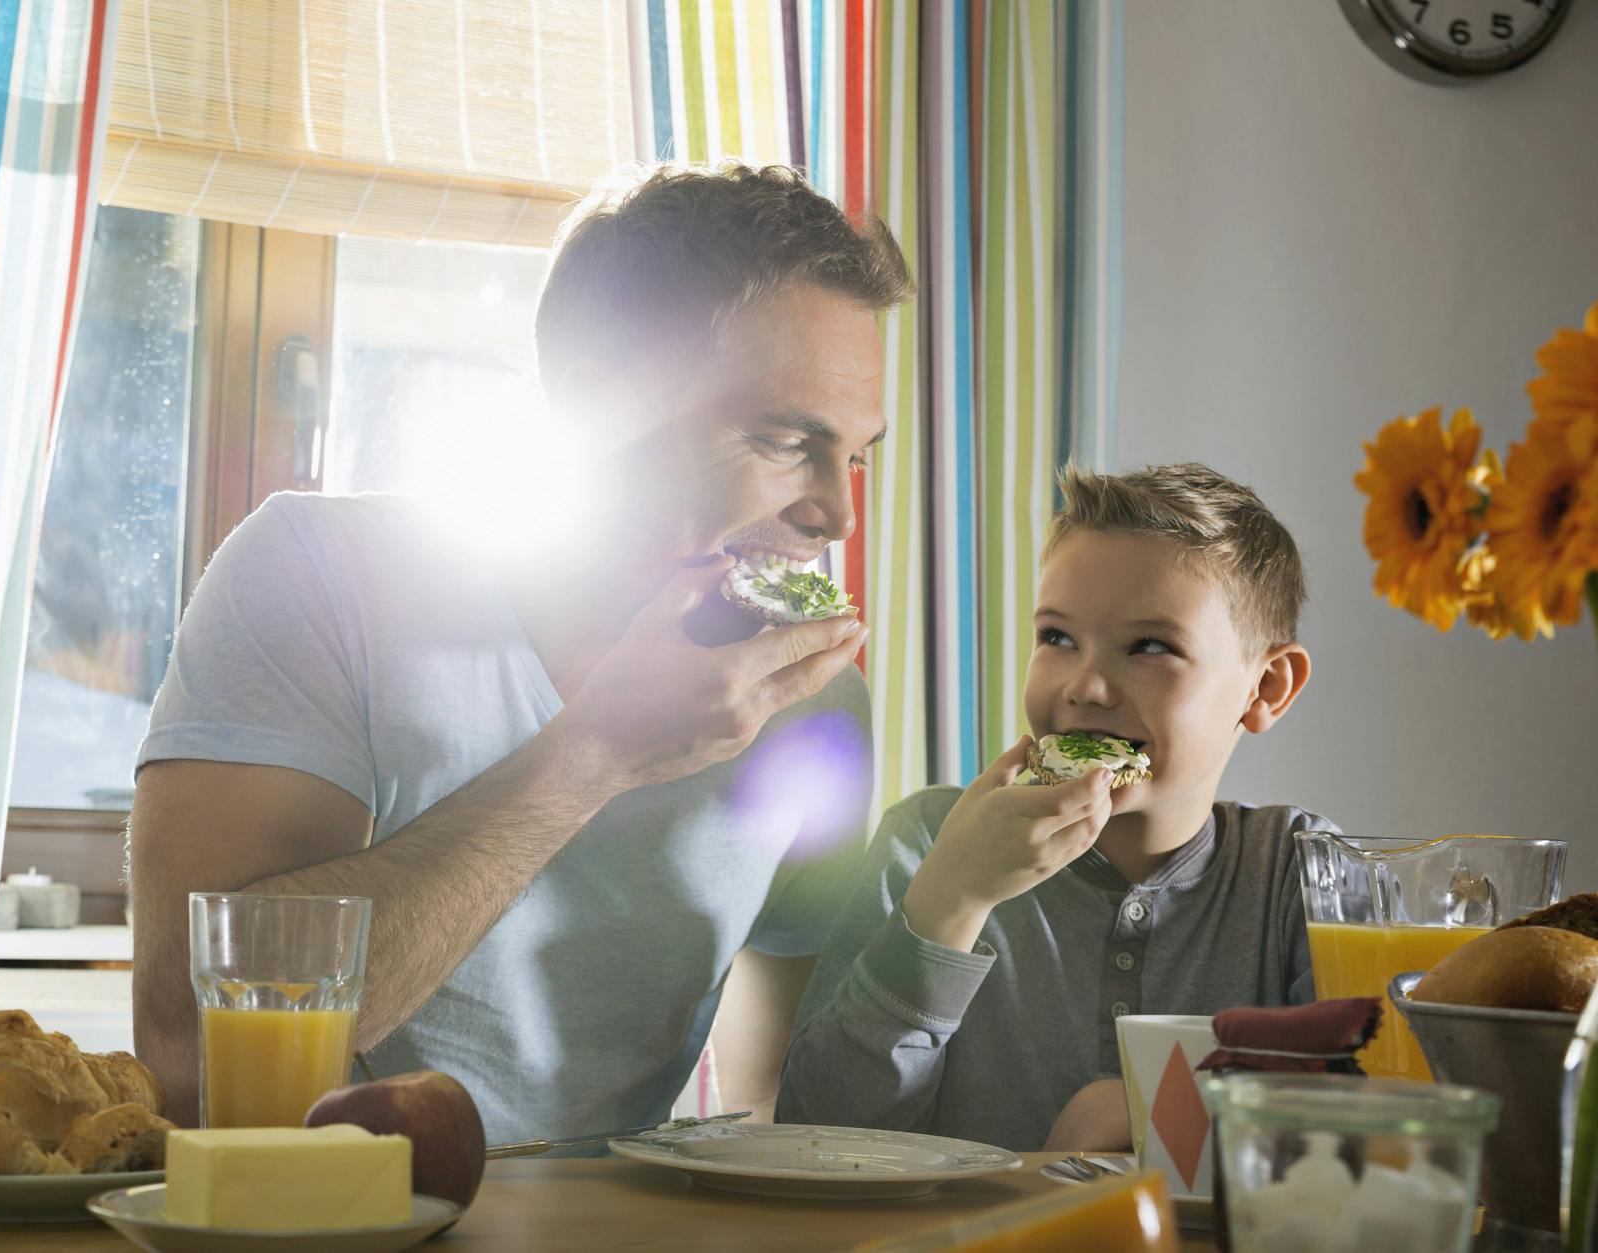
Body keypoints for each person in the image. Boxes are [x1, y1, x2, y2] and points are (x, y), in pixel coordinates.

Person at [128, 163, 914, 1137]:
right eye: (781, 439)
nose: (835, 512)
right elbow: (188, 1052)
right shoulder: (318, 574)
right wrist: (593, 756)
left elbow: (777, 1116)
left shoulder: (812, 705)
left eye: (856, 454)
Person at [776, 463, 1327, 1152]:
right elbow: (819, 1140)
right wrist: (951, 902)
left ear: (1266, 686)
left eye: (1150, 646)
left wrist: (1159, 1106)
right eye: (1057, 637)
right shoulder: (928, 843)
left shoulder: (1305, 877)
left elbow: (1380, 1114)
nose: (1085, 686)